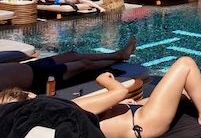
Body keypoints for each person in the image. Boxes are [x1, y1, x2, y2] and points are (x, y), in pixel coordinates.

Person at [0, 57, 201, 138]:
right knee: (185, 63)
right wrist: (105, 80)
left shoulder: (47, 119)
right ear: (29, 96)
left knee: (180, 95)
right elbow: (119, 92)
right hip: (143, 122)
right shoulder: (68, 107)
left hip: (135, 116)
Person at [0, 37, 136, 93]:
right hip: (40, 79)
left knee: (72, 54)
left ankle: (118, 54)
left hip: (32, 66)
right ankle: (119, 57)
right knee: (84, 64)